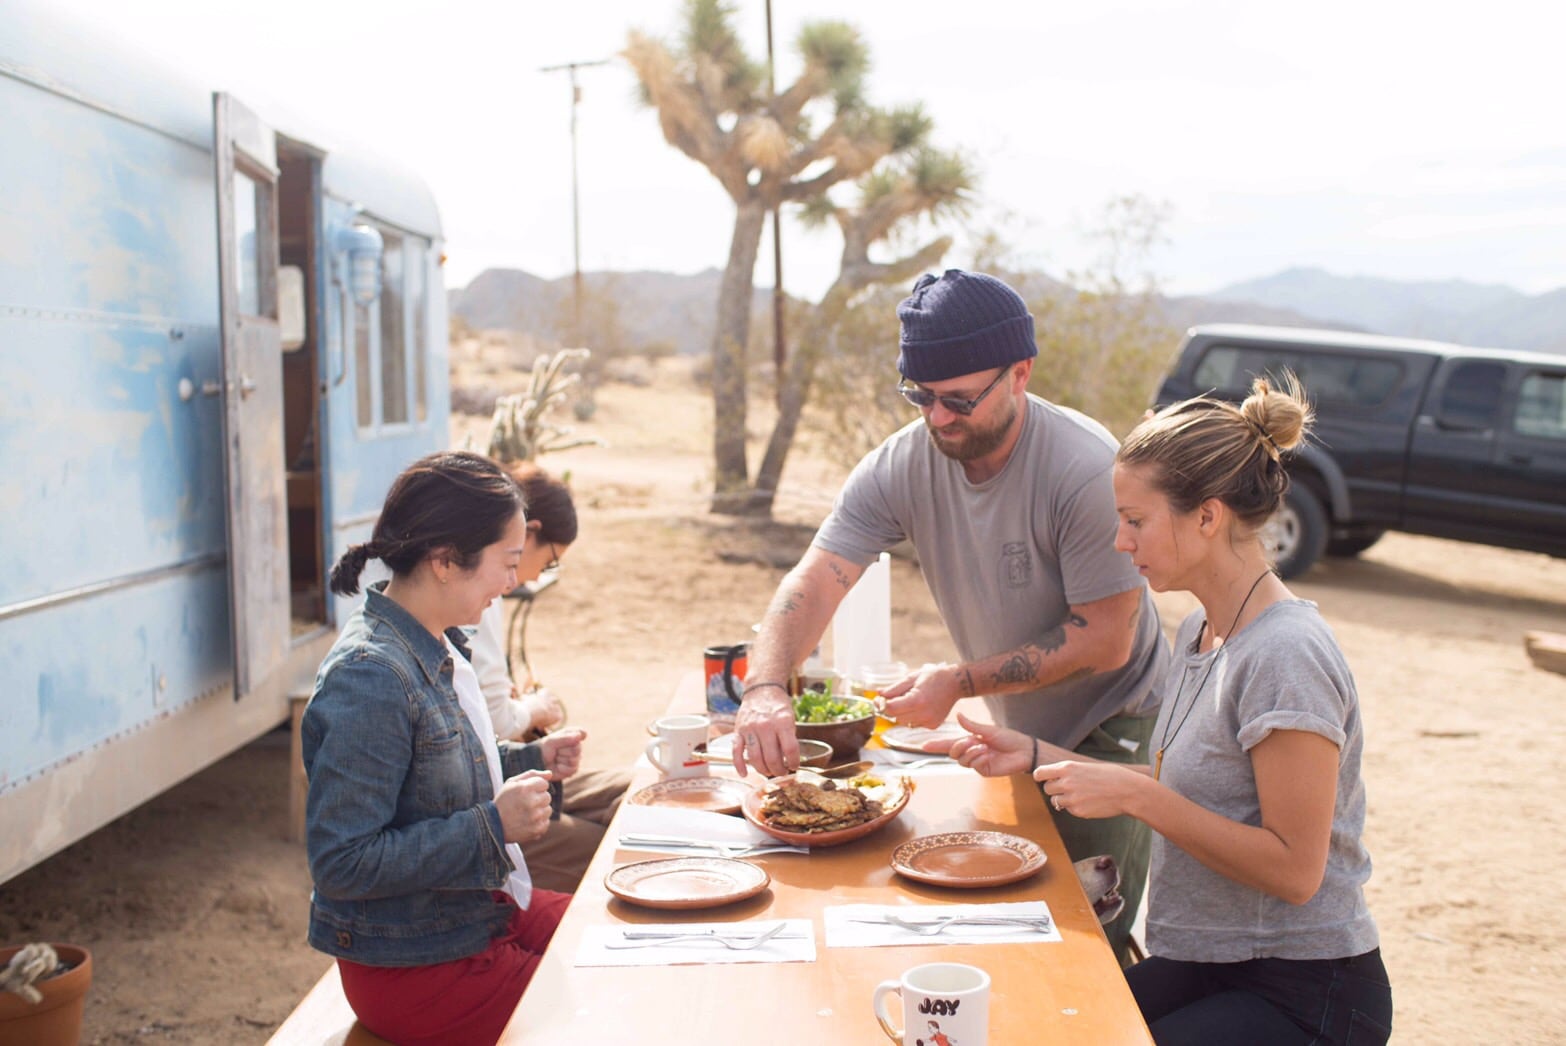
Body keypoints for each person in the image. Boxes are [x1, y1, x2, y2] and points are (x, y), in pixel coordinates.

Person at [732, 269, 1168, 963]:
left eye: (959, 399)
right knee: (1011, 933)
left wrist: (959, 683)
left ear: (1020, 372)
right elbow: (817, 578)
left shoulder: (1085, 469)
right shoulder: (901, 463)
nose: (937, 418)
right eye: (920, 396)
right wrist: (763, 687)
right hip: (1016, 724)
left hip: (1109, 727)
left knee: (1085, 941)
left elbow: (1107, 640)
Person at [943, 376, 1393, 1044]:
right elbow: (1204, 795)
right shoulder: (1201, 632)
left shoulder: (1285, 654)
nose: (1120, 543)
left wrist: (1136, 796)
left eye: (1134, 521)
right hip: (1215, 964)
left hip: (1309, 991)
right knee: (1048, 1022)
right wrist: (1042, 758)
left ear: (1207, 517)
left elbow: (1297, 870)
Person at [301, 451, 585, 1045]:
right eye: (506, 564)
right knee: (599, 1003)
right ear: (445, 560)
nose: (512, 582)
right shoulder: (370, 676)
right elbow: (342, 862)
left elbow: (434, 773)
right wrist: (492, 826)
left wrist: (532, 759)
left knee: (609, 937)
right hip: (415, 964)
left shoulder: (432, 641)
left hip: (469, 916)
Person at [469, 462, 630, 892]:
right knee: (612, 849)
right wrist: (536, 708)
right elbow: (498, 722)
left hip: (503, 770)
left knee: (637, 794)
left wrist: (536, 753)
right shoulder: (474, 594)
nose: (537, 575)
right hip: (487, 798)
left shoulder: (477, 590)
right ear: (527, 531)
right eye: (549, 560)